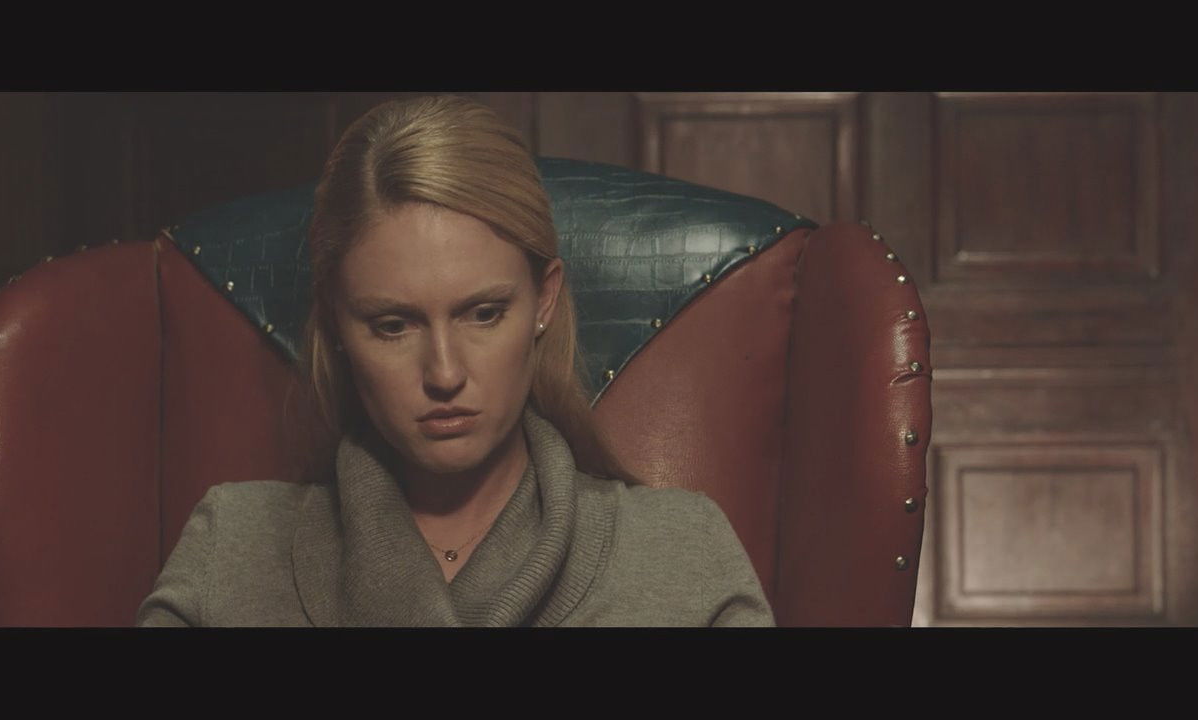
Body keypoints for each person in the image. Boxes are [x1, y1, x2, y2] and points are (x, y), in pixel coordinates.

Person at [135, 95, 775, 627]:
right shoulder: (233, 546)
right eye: (393, 325)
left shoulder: (679, 551)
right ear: (334, 324)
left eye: (484, 314)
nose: (444, 374)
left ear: (543, 300)